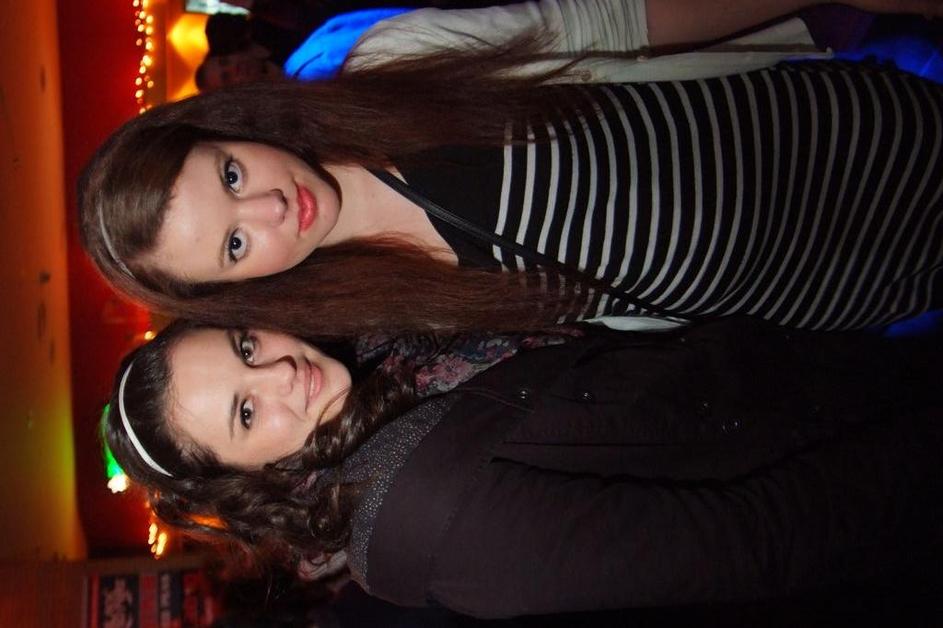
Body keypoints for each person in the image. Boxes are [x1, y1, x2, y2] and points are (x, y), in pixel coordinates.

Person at [80, 0, 943, 338]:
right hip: (829, 289)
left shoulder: (387, 66)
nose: (271, 208)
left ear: (228, 129)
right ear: (241, 289)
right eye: (234, 245)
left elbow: (616, 25)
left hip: (847, 141)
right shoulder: (394, 319)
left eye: (231, 176)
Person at [103, 316, 943, 617]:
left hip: (801, 377)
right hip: (871, 457)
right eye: (246, 414)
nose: (282, 373)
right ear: (243, 481)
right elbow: (749, 540)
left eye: (245, 346)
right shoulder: (417, 519)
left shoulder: (376, 366)